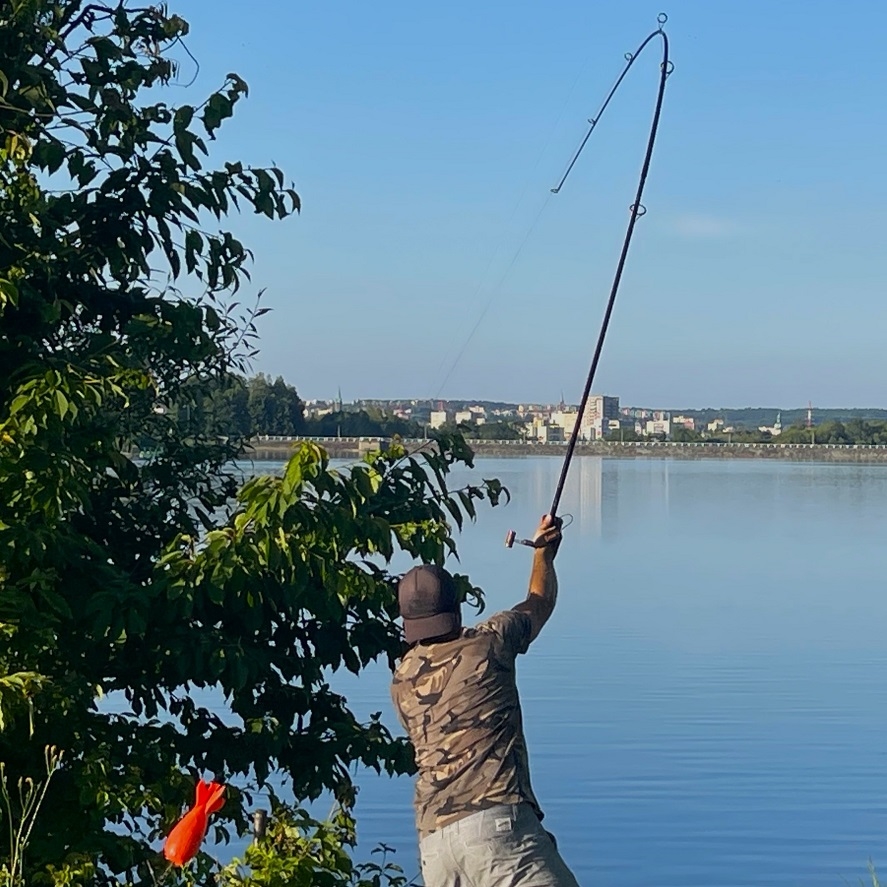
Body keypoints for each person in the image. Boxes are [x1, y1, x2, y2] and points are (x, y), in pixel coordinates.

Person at [390, 514, 580, 887]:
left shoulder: (402, 681)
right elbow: (539, 601)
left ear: (407, 623)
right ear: (456, 610)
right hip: (497, 827)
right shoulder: (488, 644)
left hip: (435, 847)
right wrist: (543, 555)